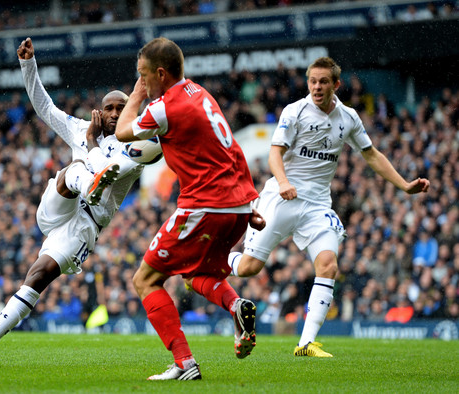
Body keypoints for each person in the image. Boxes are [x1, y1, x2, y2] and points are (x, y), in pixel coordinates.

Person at [0, 37, 144, 366]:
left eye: (120, 108)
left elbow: (108, 167)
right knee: (75, 170)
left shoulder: (134, 149)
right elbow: (44, 108)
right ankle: (88, 183)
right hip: (60, 204)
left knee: (38, 274)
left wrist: (88, 142)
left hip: (84, 226)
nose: (114, 113)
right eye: (109, 107)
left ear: (130, 112)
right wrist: (28, 64)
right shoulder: (83, 127)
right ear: (100, 110)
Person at [228, 57, 430, 357]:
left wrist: (404, 185)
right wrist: (283, 182)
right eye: (312, 81)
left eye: (323, 82)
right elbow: (274, 154)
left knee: (328, 265)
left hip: (317, 206)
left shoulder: (348, 118)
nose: (317, 87)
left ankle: (306, 343)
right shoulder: (295, 111)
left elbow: (371, 154)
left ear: (336, 84)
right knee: (248, 268)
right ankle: (219, 259)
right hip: (280, 197)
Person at [115, 37, 265, 380]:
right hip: (236, 204)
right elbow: (232, 149)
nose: (142, 82)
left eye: (143, 75)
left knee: (145, 280)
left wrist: (135, 96)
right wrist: (247, 204)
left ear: (160, 73)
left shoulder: (164, 106)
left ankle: (184, 363)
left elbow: (123, 131)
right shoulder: (201, 94)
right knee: (197, 273)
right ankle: (235, 305)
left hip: (204, 206)